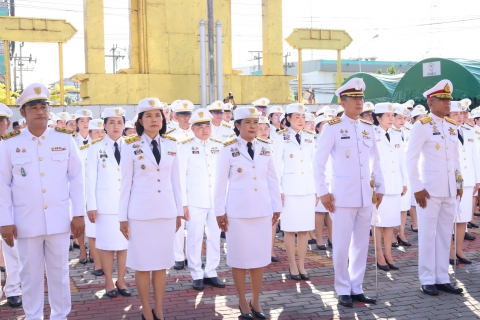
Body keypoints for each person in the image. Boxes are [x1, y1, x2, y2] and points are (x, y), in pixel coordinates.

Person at [0, 83, 85, 319]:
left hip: (58, 219)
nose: (40, 111)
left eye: (43, 107)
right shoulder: (9, 143)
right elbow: (3, 185)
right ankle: (33, 315)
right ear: (23, 113)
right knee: (30, 275)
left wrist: (78, 213)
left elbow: (77, 178)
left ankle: (60, 316)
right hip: (25, 221)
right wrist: (5, 220)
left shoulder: (65, 139)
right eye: (34, 107)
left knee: (59, 274)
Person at [314, 78, 384, 308]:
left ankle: (357, 287)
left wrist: (380, 187)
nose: (359, 102)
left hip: (365, 196)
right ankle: (342, 288)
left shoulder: (367, 128)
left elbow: (376, 160)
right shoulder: (333, 127)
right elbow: (318, 162)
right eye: (354, 99)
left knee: (361, 244)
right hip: (342, 197)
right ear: (342, 102)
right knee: (342, 245)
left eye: (361, 98)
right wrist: (323, 192)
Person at [119, 97, 183, 320]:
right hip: (140, 215)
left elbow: (176, 182)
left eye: (158, 115)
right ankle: (146, 308)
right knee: (143, 264)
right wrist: (122, 218)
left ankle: (159, 307)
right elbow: (125, 184)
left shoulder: (172, 144)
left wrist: (178, 212)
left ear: (163, 119)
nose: (154, 119)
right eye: (149, 115)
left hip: (165, 212)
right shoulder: (130, 145)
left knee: (162, 264)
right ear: (140, 120)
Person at [215, 107, 281, 320]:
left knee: (259, 258)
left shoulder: (265, 147)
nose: (253, 126)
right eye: (248, 123)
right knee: (239, 258)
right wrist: (219, 211)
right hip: (238, 212)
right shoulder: (228, 149)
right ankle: (242, 300)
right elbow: (220, 183)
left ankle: (255, 300)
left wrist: (276, 205)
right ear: (237, 125)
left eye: (255, 122)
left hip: (261, 210)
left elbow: (272, 179)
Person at [406, 79, 463, 296]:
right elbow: (410, 159)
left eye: (449, 99)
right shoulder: (421, 126)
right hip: (428, 191)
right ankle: (427, 278)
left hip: (449, 189)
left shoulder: (450, 126)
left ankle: (442, 277)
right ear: (431, 102)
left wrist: (458, 183)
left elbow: (455, 159)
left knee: (443, 235)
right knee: (427, 235)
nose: (448, 104)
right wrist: (417, 187)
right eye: (443, 100)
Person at [178, 108, 225, 290]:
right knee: (194, 238)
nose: (204, 130)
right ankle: (196, 273)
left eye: (207, 126)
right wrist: (183, 203)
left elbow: (223, 176)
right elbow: (180, 176)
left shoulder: (219, 145)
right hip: (194, 201)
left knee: (215, 237)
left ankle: (211, 271)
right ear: (192, 128)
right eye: (200, 127)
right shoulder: (184, 147)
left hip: (216, 201)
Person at [86, 108, 131, 298]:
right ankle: (108, 281)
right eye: (111, 122)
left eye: (119, 122)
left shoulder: (132, 145)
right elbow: (90, 178)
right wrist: (91, 205)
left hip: (127, 206)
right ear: (104, 125)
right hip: (105, 206)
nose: (116, 126)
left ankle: (121, 280)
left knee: (124, 245)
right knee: (105, 245)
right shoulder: (96, 147)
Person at [273, 103, 316, 281]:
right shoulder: (280, 138)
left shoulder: (310, 137)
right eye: (296, 117)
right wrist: (279, 190)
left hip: (307, 188)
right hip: (289, 189)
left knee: (305, 229)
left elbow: (314, 164)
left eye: (303, 117)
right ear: (288, 119)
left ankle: (302, 264)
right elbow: (276, 167)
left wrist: (316, 190)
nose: (300, 120)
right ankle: (292, 265)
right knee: (290, 230)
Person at [372, 103, 407, 271]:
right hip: (380, 186)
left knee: (390, 223)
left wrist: (404, 182)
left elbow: (401, 160)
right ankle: (379, 255)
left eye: (393, 115)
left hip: (394, 183)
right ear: (378, 118)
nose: (391, 119)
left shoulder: (396, 134)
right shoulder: (371, 133)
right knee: (379, 223)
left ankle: (389, 254)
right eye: (388, 116)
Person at [447, 101, 480, 265]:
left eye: (461, 114)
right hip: (451, 182)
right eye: (455, 114)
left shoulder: (469, 131)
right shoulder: (444, 131)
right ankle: (449, 252)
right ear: (448, 115)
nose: (459, 117)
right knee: (449, 219)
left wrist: (477, 179)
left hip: (467, 181)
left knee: (462, 219)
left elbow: (475, 157)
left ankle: (459, 250)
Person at [0, 103, 23, 308]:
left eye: (1, 120)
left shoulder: (15, 144)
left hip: (11, 205)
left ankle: (13, 289)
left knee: (13, 250)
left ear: (7, 123)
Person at [167, 100, 194, 270]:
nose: (186, 118)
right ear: (175, 116)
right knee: (178, 221)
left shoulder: (198, 132)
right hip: (175, 181)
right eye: (182, 115)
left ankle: (192, 257)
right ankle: (178, 255)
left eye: (188, 114)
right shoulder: (169, 135)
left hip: (195, 182)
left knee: (194, 223)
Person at [392, 104, 412, 247]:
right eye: (399, 118)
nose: (402, 121)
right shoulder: (388, 133)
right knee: (393, 207)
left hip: (407, 174)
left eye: (404, 118)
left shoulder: (409, 131)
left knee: (404, 207)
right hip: (394, 174)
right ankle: (392, 235)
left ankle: (402, 233)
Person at [313, 113, 333, 250]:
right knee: (320, 213)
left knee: (332, 212)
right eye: (323, 124)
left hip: (332, 180)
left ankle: (332, 238)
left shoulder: (334, 138)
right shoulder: (313, 141)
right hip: (321, 181)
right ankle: (319, 239)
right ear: (318, 128)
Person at [407, 105, 428, 233]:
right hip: (413, 167)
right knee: (413, 199)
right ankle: (415, 223)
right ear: (414, 119)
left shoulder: (428, 128)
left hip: (423, 166)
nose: (423, 119)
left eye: (424, 117)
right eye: (420, 117)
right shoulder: (412, 129)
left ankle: (419, 223)